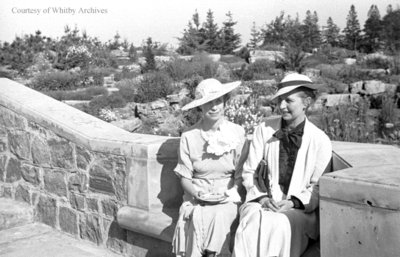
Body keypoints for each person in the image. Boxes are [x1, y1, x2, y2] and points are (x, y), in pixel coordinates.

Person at [233, 73, 332, 257]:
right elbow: (249, 171)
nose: (281, 106)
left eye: (288, 100)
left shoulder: (320, 140)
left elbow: (317, 187)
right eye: (280, 100)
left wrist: (291, 202)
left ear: (306, 102)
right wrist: (262, 198)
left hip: (298, 210)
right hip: (261, 200)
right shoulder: (264, 129)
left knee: (279, 224)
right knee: (253, 220)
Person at [172, 78, 247, 257]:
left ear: (225, 102)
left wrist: (231, 193)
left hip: (229, 195)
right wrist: (197, 194)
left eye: (218, 101)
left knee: (220, 215)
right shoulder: (189, 136)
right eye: (208, 103)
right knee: (196, 214)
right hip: (197, 194)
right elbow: (185, 176)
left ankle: (212, 254)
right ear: (200, 107)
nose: (214, 107)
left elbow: (241, 174)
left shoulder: (237, 132)